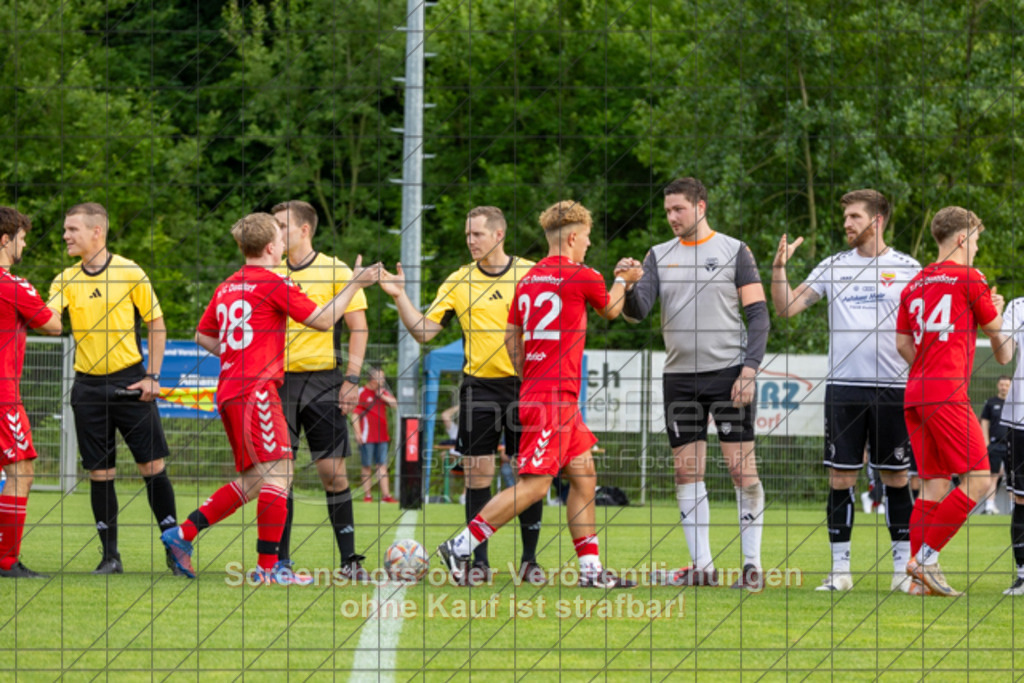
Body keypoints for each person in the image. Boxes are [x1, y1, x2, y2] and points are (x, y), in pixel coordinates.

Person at [161, 213, 378, 583]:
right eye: (278, 238)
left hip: (230, 390)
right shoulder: (274, 282)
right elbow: (325, 321)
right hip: (257, 392)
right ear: (270, 247)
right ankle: (268, 570)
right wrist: (354, 284)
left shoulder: (228, 285)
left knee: (255, 482)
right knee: (279, 478)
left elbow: (202, 335)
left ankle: (182, 534)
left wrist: (239, 354)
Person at [437, 200, 641, 588]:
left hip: (539, 393)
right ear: (574, 237)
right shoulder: (582, 275)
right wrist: (625, 279)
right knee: (536, 485)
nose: (588, 246)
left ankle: (591, 572)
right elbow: (613, 310)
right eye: (587, 240)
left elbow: (511, 338)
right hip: (553, 399)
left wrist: (529, 374)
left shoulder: (527, 281)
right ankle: (460, 546)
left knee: (584, 477)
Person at [378, 206, 546, 584]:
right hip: (479, 388)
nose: (470, 241)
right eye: (468, 235)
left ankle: (530, 561)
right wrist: (399, 296)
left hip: (527, 387)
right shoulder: (458, 280)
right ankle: (477, 562)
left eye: (478, 234)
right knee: (477, 476)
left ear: (499, 235)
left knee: (528, 475)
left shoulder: (532, 273)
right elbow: (425, 332)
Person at [621, 177, 770, 589]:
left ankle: (751, 566)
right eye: (667, 211)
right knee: (686, 473)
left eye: (678, 209)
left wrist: (750, 369)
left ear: (700, 207)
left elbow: (758, 315)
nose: (671, 217)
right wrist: (630, 283)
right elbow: (637, 313)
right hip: (679, 378)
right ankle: (701, 567)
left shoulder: (734, 250)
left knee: (742, 471)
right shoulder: (657, 255)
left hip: (728, 373)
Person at [772, 189, 921, 593]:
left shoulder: (910, 269)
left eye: (855, 217)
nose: (847, 224)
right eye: (845, 217)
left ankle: (901, 572)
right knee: (841, 479)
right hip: (844, 388)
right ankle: (840, 572)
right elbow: (786, 308)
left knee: (895, 477)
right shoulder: (832, 266)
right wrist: (779, 270)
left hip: (893, 389)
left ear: (877, 221)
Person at [47, 203, 180, 575]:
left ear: (97, 232)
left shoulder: (130, 271)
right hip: (87, 389)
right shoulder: (64, 279)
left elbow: (157, 325)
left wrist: (152, 377)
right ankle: (110, 557)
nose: (66, 236)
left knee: (152, 468)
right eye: (65, 229)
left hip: (131, 382)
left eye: (72, 229)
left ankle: (175, 550)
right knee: (100, 474)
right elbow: (50, 322)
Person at [896, 206, 1012, 597]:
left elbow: (902, 344)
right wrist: (994, 310)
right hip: (946, 393)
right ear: (962, 238)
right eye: (976, 239)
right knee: (979, 481)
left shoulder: (914, 284)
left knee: (931, 486)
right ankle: (925, 559)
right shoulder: (969, 277)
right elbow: (1000, 340)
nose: (977, 247)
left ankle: (918, 582)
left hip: (915, 394)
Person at [272, 200, 371, 581]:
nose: (275, 233)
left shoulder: (335, 269)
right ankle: (280, 561)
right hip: (278, 383)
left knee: (333, 474)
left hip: (323, 382)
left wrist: (351, 380)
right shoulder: (269, 271)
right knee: (280, 475)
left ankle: (349, 562)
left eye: (282, 226)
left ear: (304, 230)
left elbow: (357, 328)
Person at [0, 207, 62, 578]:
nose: (24, 244)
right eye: (22, 238)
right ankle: (7, 561)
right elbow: (53, 325)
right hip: (2, 392)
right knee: (21, 470)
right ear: (5, 240)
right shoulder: (12, 285)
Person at [998, 305, 1024, 594]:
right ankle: (1023, 574)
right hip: (1021, 418)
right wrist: (994, 323)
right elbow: (1004, 355)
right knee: (1022, 501)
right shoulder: (1019, 306)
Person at [353, 368, 397, 503]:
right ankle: (368, 496)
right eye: (380, 378)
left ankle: (386, 496)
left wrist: (382, 396)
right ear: (372, 379)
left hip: (382, 436)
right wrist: (358, 433)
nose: (383, 380)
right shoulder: (361, 392)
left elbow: (395, 405)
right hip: (367, 436)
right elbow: (355, 414)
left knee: (382, 465)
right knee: (366, 466)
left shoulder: (383, 392)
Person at [979, 375, 1011, 515]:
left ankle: (1014, 506)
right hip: (994, 445)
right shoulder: (991, 402)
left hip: (1011, 445)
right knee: (993, 476)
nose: (1004, 387)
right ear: (998, 385)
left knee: (1013, 476)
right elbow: (985, 422)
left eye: (1006, 385)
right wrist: (985, 442)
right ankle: (990, 506)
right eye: (1001, 384)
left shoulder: (1016, 402)